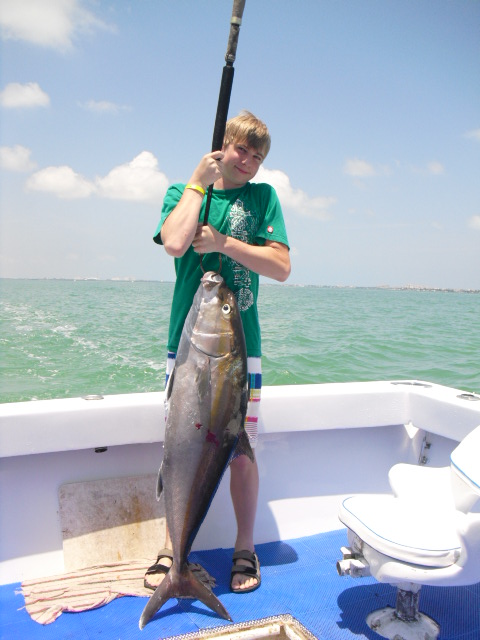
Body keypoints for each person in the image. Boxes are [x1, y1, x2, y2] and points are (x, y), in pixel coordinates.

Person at [145, 110, 290, 594]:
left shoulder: (263, 198)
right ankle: (174, 549)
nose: (247, 160)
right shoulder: (182, 191)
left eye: (257, 156)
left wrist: (223, 243)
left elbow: (281, 266)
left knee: (241, 451)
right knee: (177, 448)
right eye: (240, 149)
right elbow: (174, 242)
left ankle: (244, 547)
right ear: (222, 146)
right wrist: (196, 183)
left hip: (241, 352)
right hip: (188, 349)